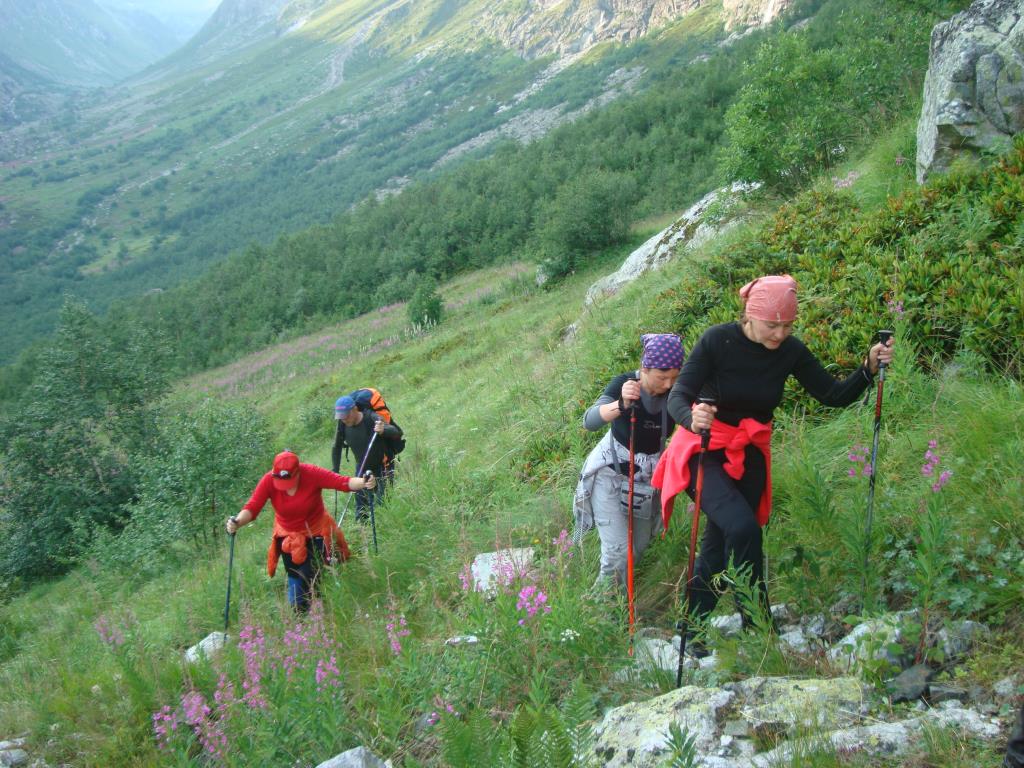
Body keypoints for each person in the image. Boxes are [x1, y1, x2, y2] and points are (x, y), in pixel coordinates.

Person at [652, 275, 894, 652]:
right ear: (750, 315)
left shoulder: (790, 351)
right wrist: (691, 416)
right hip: (704, 448)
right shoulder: (718, 340)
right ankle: (759, 625)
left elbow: (831, 395)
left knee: (720, 543)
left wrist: (868, 368)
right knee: (743, 527)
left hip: (748, 452)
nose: (780, 333)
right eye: (772, 324)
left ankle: (694, 630)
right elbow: (678, 395)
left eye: (788, 325)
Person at [573, 333, 684, 591]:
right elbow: (589, 421)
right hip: (609, 475)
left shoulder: (677, 392)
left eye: (674, 377)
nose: (669, 384)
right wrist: (621, 405)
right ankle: (598, 612)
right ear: (645, 368)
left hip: (646, 480)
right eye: (662, 377)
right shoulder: (623, 382)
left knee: (638, 548)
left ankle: (620, 606)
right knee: (618, 552)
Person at [226, 450, 374, 612]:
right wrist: (237, 522)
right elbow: (253, 507)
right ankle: (303, 613)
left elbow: (342, 482)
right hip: (287, 535)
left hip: (316, 532)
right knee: (294, 574)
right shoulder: (268, 480)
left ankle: (313, 611)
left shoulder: (311, 473)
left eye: (289, 481)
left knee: (309, 574)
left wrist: (365, 482)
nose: (285, 487)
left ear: (298, 472)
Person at [331, 395, 404, 521]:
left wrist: (383, 430)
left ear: (354, 409)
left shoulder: (371, 417)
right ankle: (363, 531)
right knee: (361, 508)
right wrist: (335, 472)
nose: (344, 420)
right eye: (341, 417)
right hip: (362, 467)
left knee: (383, 502)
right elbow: (336, 447)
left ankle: (387, 526)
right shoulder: (342, 425)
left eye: (346, 416)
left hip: (384, 465)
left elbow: (395, 431)